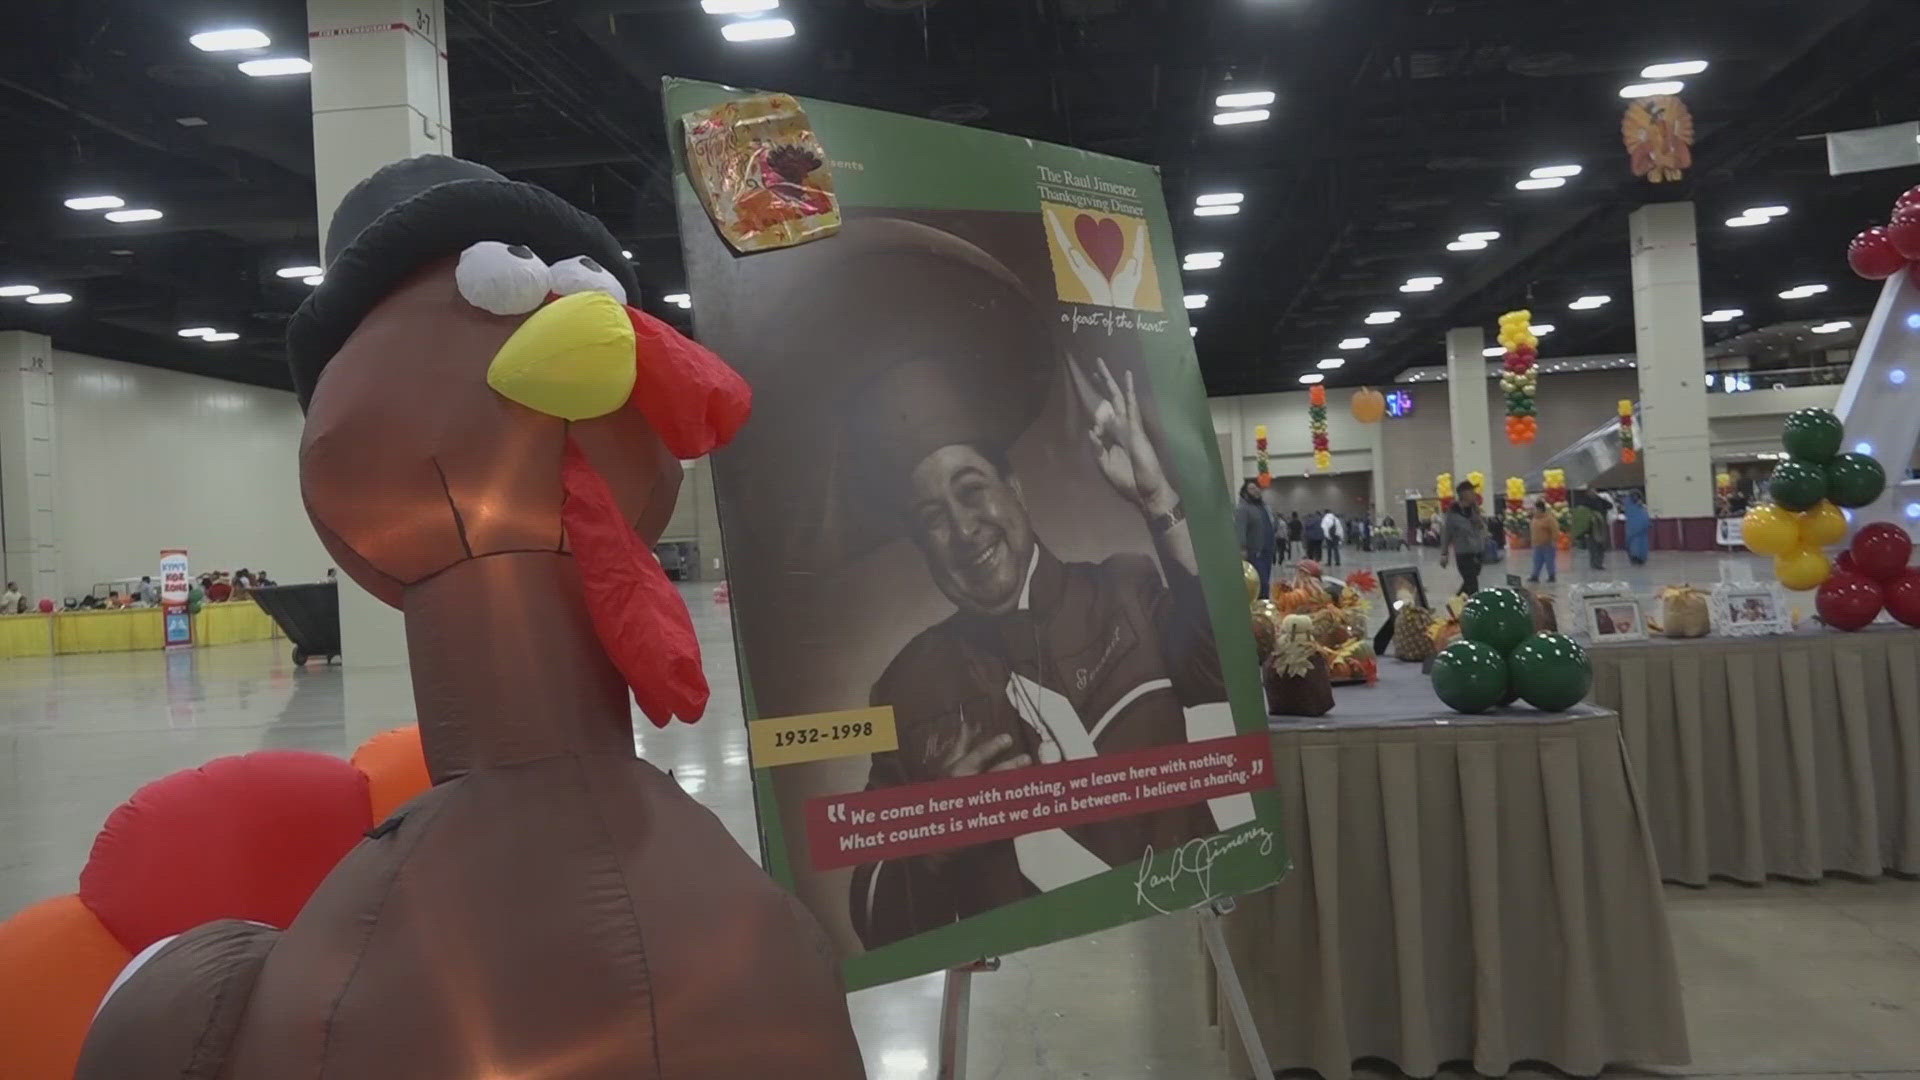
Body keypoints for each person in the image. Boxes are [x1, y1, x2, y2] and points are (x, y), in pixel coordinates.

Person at [849, 354, 1231, 947]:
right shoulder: (907, 688)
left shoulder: (1125, 590)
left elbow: (1224, 668)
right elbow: (872, 917)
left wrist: (1158, 498)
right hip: (1033, 978)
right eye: (933, 520)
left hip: (1176, 931)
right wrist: (931, 836)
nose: (964, 529)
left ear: (1017, 489)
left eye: (972, 491)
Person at [1439, 480, 1491, 595]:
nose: (1474, 494)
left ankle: (1455, 605)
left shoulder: (1475, 510)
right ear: (1463, 494)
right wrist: (1444, 554)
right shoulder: (1453, 513)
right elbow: (1446, 533)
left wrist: (1480, 522)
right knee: (1473, 587)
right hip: (1464, 554)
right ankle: (1473, 608)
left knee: (1468, 585)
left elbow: (1482, 529)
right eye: (1471, 491)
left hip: (1478, 553)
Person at [1235, 479, 1278, 597]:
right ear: (1245, 492)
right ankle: (1260, 606)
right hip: (1255, 552)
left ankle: (1264, 604)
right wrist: (1242, 549)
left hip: (1267, 551)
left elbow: (1272, 523)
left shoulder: (1264, 507)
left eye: (1257, 488)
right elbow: (1240, 529)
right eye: (1252, 489)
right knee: (1261, 582)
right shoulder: (1243, 509)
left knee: (1266, 580)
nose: (1256, 491)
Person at [1528, 499, 1560, 583]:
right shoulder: (1534, 519)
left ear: (1540, 509)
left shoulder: (1549, 519)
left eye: (1534, 508)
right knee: (1536, 561)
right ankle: (1535, 576)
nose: (1533, 510)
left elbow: (1555, 530)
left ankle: (1551, 576)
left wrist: (1554, 540)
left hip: (1548, 545)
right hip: (1536, 545)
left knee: (1549, 562)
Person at [1623, 491, 1651, 566]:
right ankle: (1635, 558)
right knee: (1634, 545)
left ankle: (1641, 558)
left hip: (1641, 532)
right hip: (1633, 531)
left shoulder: (1641, 507)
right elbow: (1632, 516)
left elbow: (1644, 516)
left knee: (1641, 545)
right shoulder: (1630, 507)